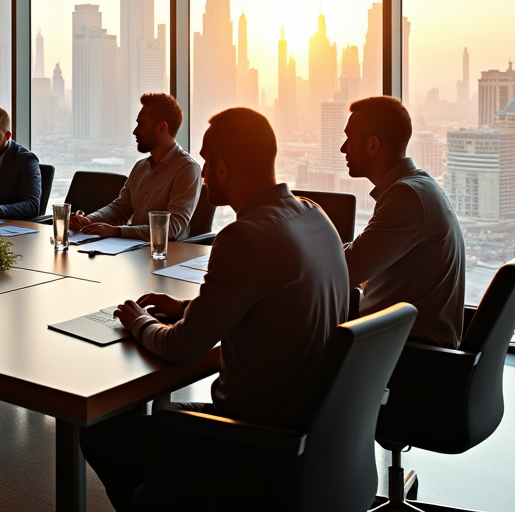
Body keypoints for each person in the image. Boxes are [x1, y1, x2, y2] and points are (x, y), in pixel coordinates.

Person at [79, 108, 349, 512]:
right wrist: (189, 306)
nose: (202, 173)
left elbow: (183, 349)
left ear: (222, 168)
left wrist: (139, 321)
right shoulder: (315, 215)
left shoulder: (244, 236)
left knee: (101, 435)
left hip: (253, 437)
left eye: (206, 162)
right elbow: (267, 297)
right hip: (314, 430)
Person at [341, 96, 465, 347]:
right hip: (403, 344)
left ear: (373, 145)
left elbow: (348, 270)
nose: (343, 148)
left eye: (349, 139)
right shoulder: (418, 186)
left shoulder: (407, 196)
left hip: (411, 355)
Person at [70, 93, 201, 241]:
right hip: (135, 251)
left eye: (141, 124)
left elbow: (173, 228)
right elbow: (120, 209)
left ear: (161, 128)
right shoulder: (140, 166)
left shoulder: (187, 169)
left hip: (168, 256)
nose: (135, 131)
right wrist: (89, 220)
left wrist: (118, 231)